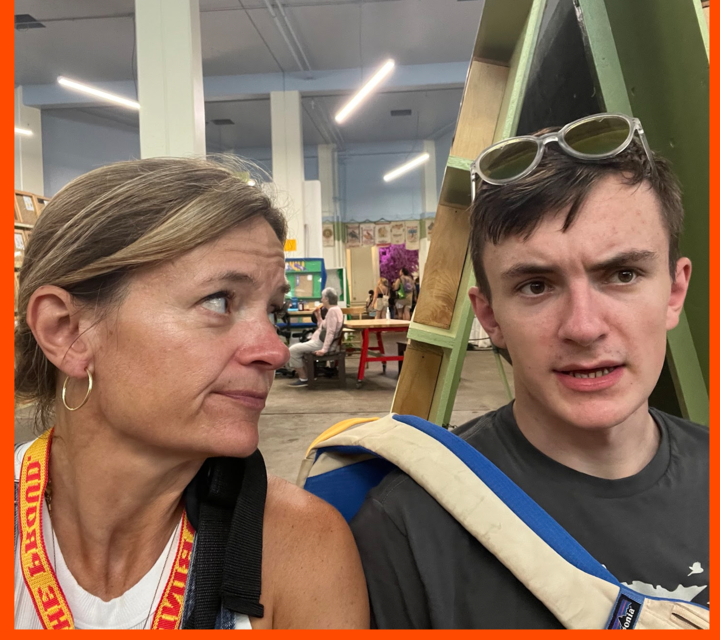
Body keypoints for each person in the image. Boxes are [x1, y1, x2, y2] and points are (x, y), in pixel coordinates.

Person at [350, 114, 708, 628]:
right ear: (490, 316)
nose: (584, 327)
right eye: (536, 286)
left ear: (674, 292)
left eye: (623, 274)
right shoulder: (408, 532)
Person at [14, 156, 369, 629]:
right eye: (219, 301)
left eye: (272, 310)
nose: (274, 350)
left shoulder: (299, 549)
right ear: (67, 331)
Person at [286, 287, 344, 387]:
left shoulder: (332, 311)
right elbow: (324, 327)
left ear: (326, 299)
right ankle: (308, 376)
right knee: (297, 349)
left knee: (292, 350)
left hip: (320, 344)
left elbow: (330, 332)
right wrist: (319, 317)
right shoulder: (334, 310)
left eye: (322, 297)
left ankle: (303, 378)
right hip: (319, 341)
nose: (321, 300)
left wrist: (324, 350)